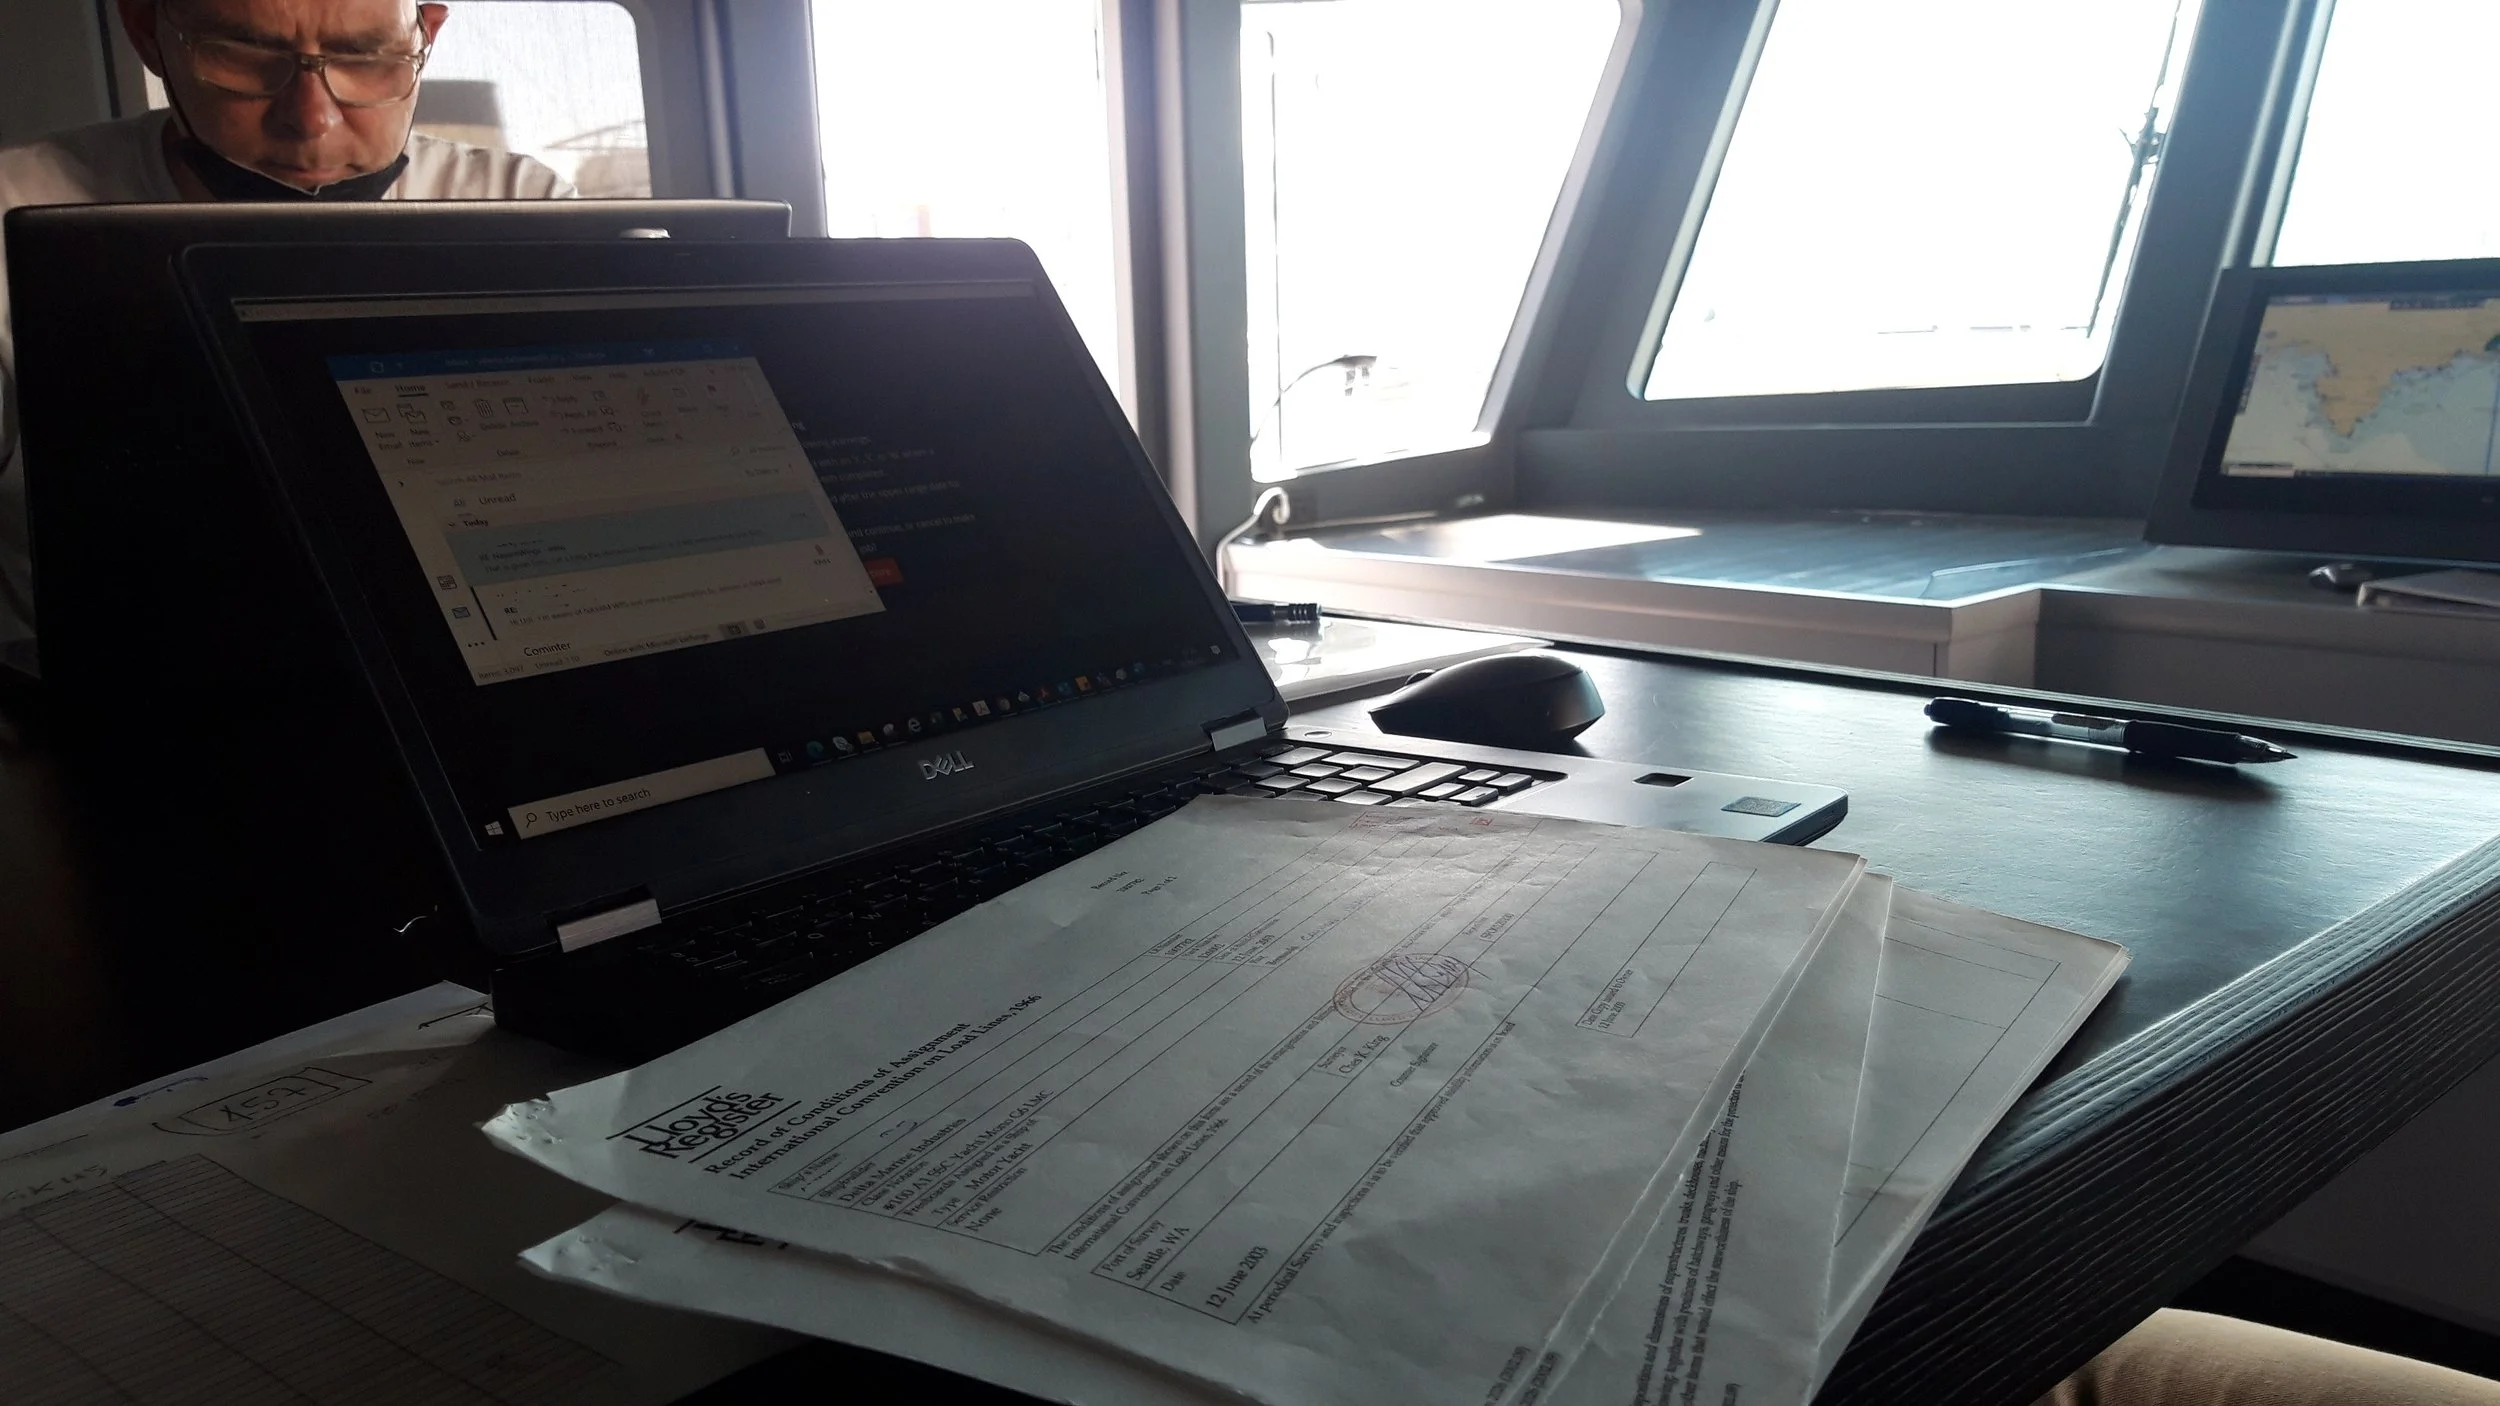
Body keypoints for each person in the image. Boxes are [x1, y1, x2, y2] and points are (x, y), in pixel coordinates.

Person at [0, 0, 576, 660]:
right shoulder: (13, 209)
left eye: (364, 57)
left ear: (427, 36)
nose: (313, 120)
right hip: (121, 677)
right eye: (244, 55)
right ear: (148, 36)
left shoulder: (521, 206)